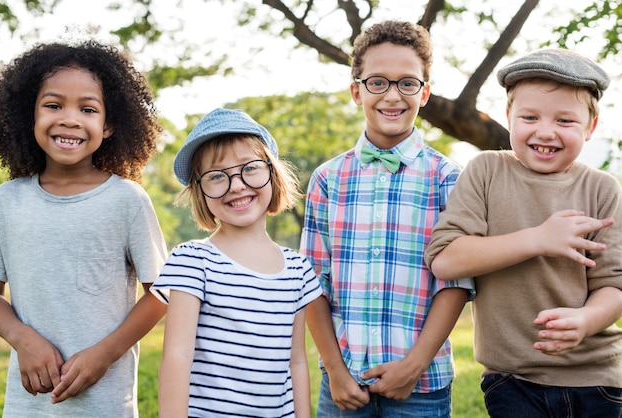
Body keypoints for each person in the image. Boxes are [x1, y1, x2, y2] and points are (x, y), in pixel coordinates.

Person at [425, 48, 622, 417]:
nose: (545, 131)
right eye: (529, 117)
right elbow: (446, 259)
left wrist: (586, 320)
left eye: (565, 121)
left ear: (590, 127)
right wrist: (537, 239)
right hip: (512, 378)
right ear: (509, 117)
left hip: (596, 378)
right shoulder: (485, 172)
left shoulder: (603, 189)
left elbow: (614, 285)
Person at [300, 20, 474, 417]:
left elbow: (457, 282)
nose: (392, 96)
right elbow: (313, 283)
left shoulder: (448, 178)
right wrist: (334, 370)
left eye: (407, 83)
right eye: (378, 82)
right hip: (344, 381)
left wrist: (412, 367)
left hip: (422, 384)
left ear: (424, 92)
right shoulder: (328, 179)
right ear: (355, 90)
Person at [0, 39, 168, 417]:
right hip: (30, 406)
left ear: (108, 126)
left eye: (87, 109)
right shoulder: (5, 202)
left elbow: (162, 293)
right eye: (54, 105)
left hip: (105, 404)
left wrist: (104, 353)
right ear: (30, 115)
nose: (70, 118)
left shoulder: (127, 200)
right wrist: (22, 338)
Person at [151, 107, 322, 418]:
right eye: (217, 176)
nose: (238, 185)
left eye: (250, 168)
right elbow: (177, 356)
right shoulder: (193, 261)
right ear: (200, 193)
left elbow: (296, 361)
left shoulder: (297, 269)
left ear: (272, 173)